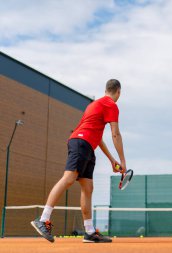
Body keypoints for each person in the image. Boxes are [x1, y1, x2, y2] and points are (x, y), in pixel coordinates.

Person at [31, 79, 126, 243]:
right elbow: (115, 134)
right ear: (118, 92)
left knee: (88, 187)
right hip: (81, 143)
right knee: (68, 178)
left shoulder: (95, 105)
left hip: (86, 144)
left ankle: (89, 232)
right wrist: (123, 162)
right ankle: (43, 218)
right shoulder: (111, 105)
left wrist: (112, 160)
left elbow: (98, 138)